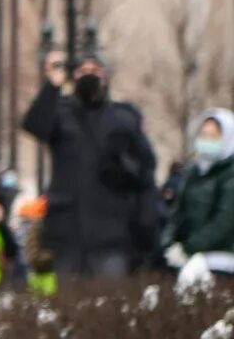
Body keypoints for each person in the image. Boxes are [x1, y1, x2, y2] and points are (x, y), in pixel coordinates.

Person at [20, 51, 156, 280]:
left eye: (95, 71)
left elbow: (145, 169)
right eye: (82, 71)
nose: (89, 75)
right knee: (69, 305)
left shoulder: (124, 117)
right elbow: (34, 125)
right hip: (67, 232)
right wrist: (52, 85)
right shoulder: (61, 112)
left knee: (108, 304)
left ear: (106, 77)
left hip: (112, 233)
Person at [162, 109, 234, 268]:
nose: (207, 140)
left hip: (222, 258)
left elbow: (223, 221)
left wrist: (189, 248)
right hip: (189, 255)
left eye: (213, 136)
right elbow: (178, 212)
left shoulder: (230, 174)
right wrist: (168, 243)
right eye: (204, 135)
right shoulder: (194, 172)